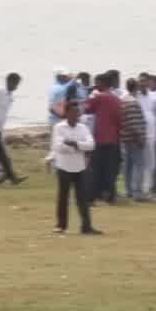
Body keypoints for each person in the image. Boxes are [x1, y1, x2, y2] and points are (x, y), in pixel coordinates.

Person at [47, 97, 99, 234]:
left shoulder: (83, 128)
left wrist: (75, 144)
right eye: (74, 112)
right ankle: (61, 225)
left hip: (79, 167)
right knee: (63, 197)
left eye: (78, 112)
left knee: (82, 198)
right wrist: (79, 147)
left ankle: (86, 226)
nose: (77, 115)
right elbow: (58, 147)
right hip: (64, 166)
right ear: (67, 113)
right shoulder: (59, 127)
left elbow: (91, 145)